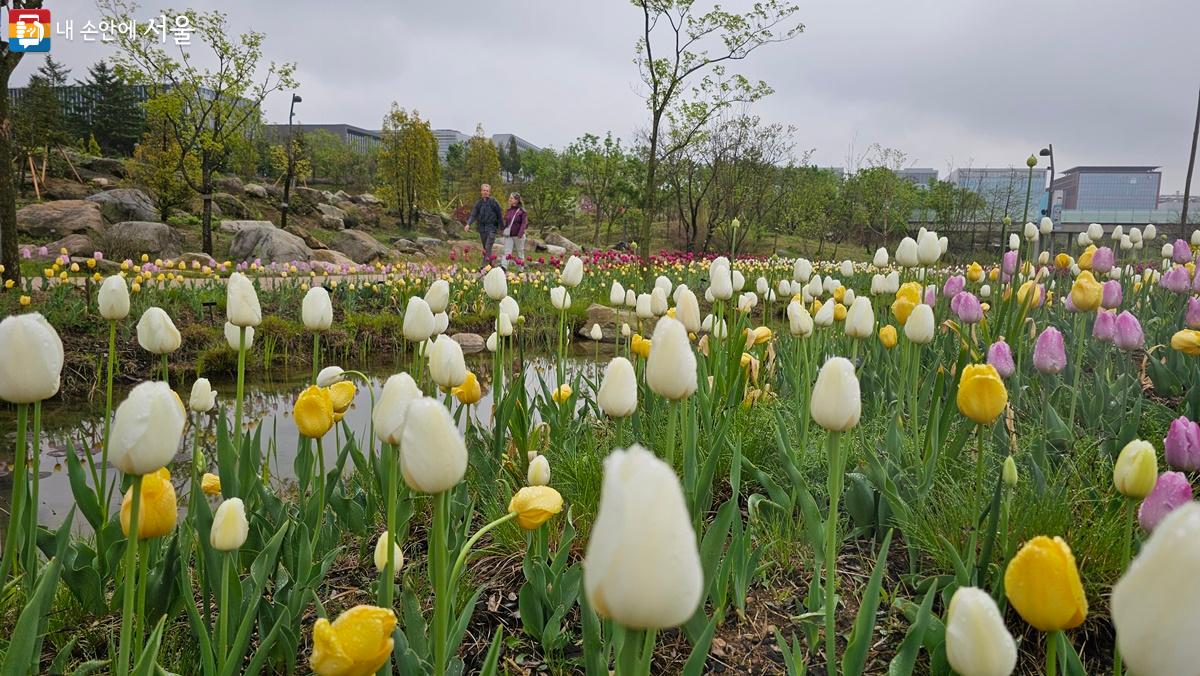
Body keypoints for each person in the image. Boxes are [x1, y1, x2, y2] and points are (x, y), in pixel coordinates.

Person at [464, 183, 503, 268]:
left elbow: (499, 214)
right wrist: (468, 224)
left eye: (487, 191)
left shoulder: (494, 202)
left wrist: (502, 228)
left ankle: (484, 266)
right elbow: (474, 214)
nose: (485, 192)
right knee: (486, 248)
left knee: (488, 247)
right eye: (484, 190)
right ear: (481, 192)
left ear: (489, 192)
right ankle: (491, 265)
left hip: (492, 228)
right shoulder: (479, 203)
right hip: (482, 229)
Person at [500, 192, 528, 269]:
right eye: (510, 198)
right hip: (509, 235)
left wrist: (520, 234)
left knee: (520, 252)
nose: (510, 199)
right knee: (507, 252)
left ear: (517, 200)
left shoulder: (522, 211)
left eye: (511, 198)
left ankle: (520, 269)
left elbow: (524, 223)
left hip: (518, 236)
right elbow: (506, 222)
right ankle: (504, 268)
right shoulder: (509, 210)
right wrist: (502, 230)